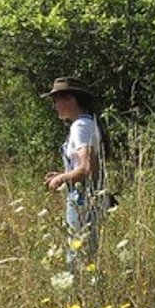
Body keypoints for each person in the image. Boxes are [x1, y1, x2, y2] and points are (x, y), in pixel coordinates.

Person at [42, 76, 109, 268]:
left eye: (56, 100)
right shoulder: (86, 123)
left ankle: (82, 297)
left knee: (78, 258)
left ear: (71, 99)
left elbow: (87, 169)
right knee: (85, 255)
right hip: (87, 197)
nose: (55, 106)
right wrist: (62, 175)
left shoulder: (81, 126)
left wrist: (62, 178)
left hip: (82, 199)